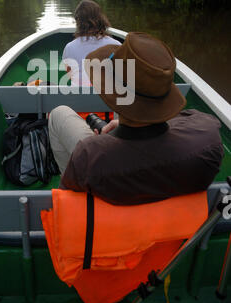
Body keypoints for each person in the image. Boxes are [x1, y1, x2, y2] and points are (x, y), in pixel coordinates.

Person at [49, 32, 224, 205]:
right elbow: (189, 119)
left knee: (58, 113)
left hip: (109, 220)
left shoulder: (89, 156)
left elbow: (70, 205)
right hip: (182, 229)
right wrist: (132, 122)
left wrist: (112, 135)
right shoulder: (209, 140)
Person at [62, 0, 121, 86]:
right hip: (106, 97)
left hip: (77, 96)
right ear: (101, 19)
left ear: (78, 22)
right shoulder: (116, 45)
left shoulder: (69, 47)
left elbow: (70, 74)